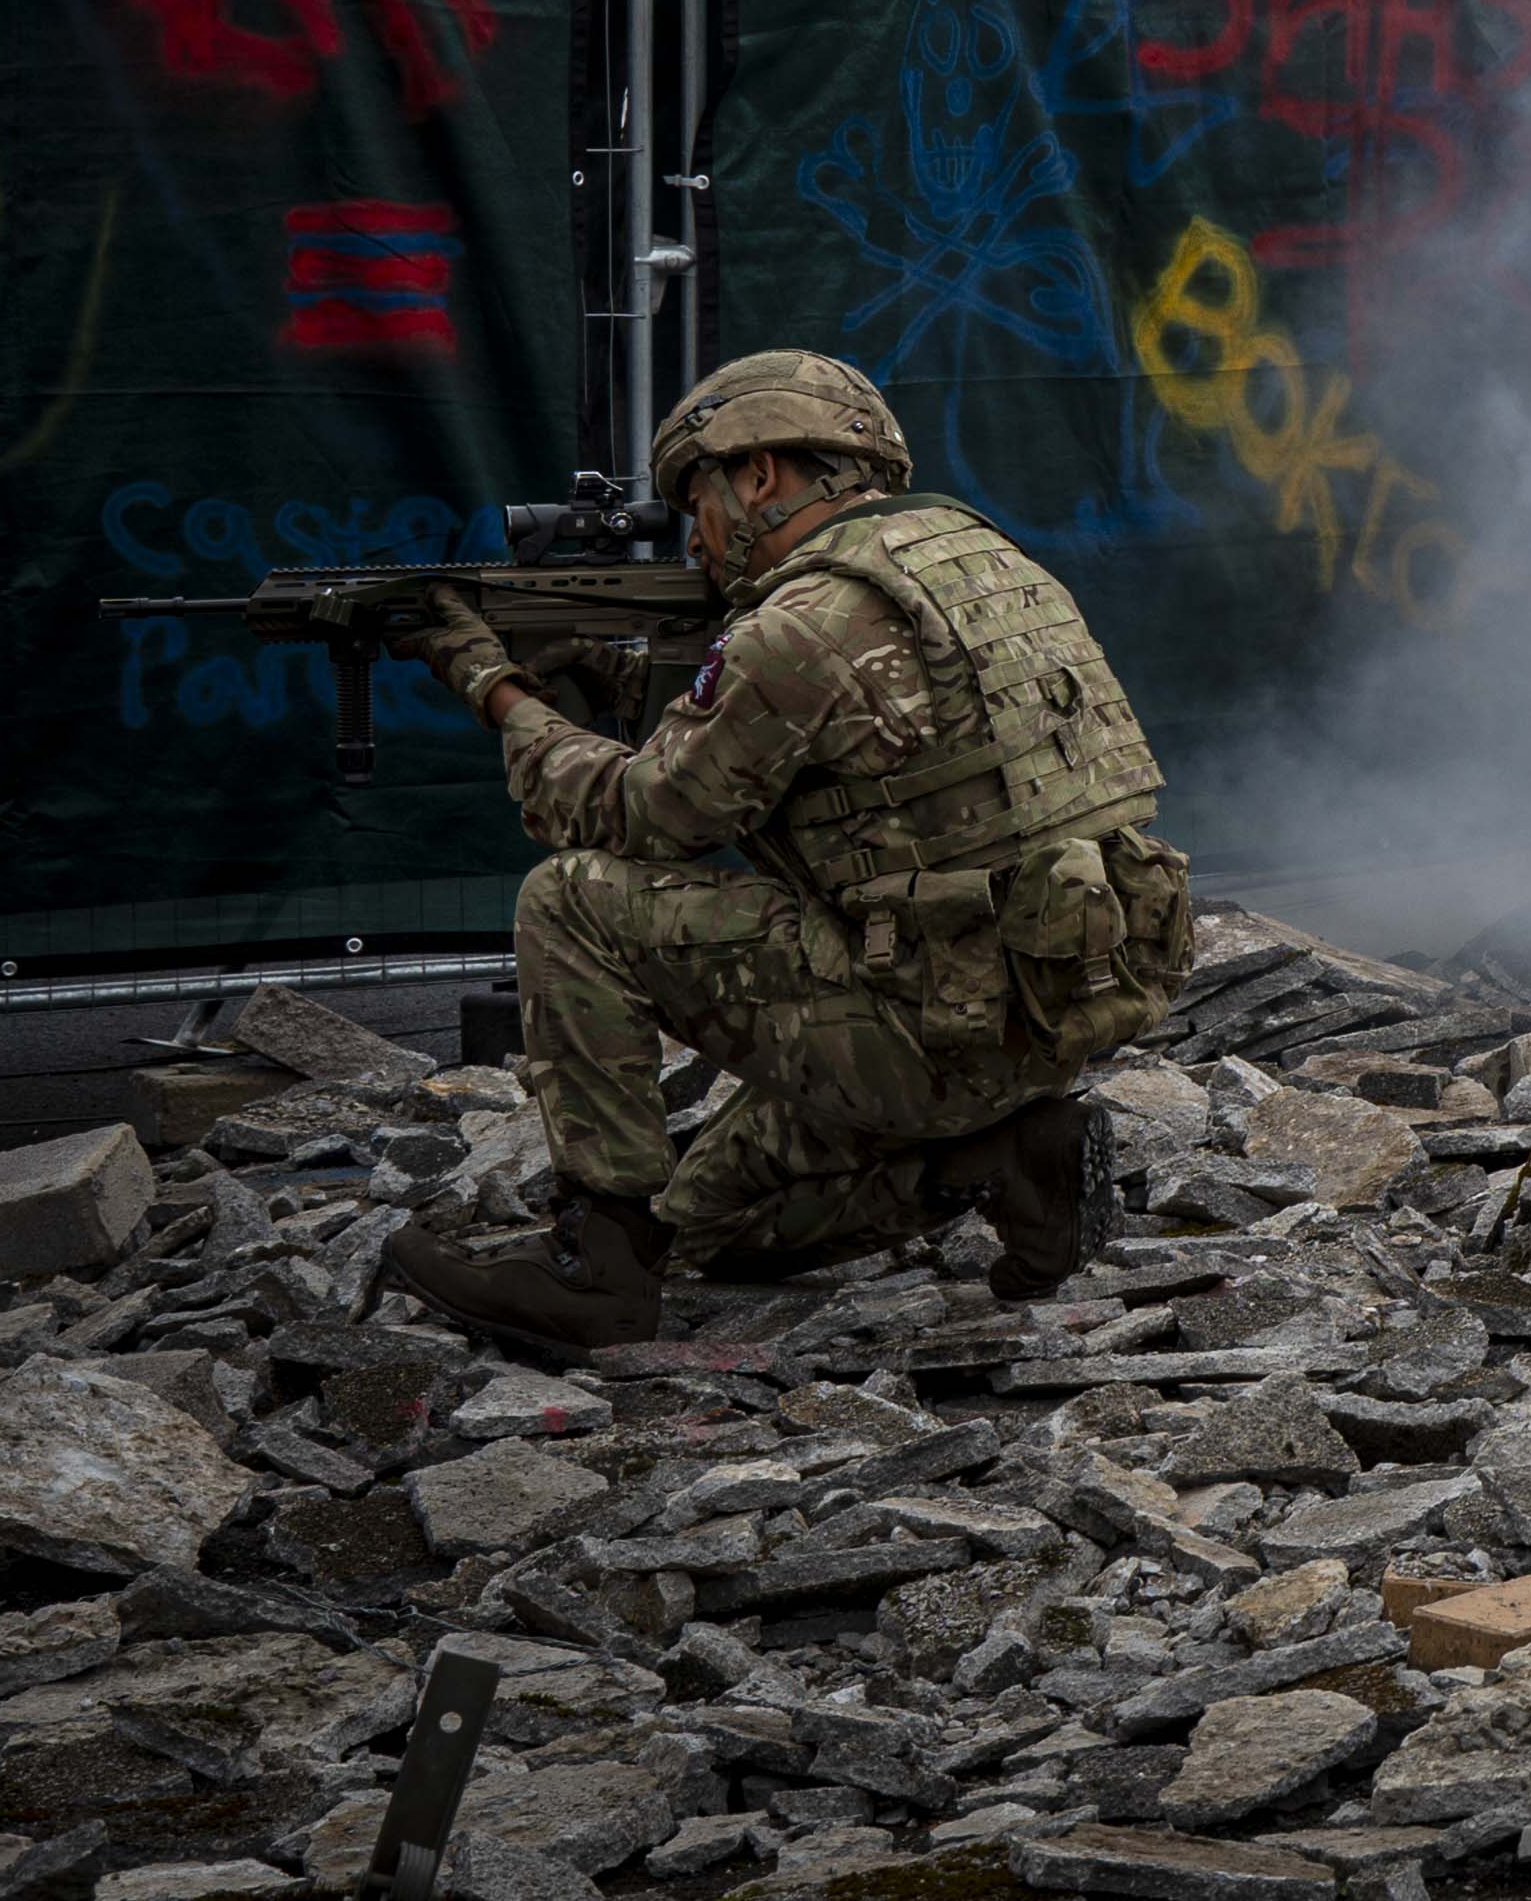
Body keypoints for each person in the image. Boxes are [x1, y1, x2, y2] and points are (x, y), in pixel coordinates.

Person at [384, 350, 1191, 1352]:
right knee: (705, 1220)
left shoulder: (805, 619)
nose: (700, 538)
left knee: (572, 897)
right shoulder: (991, 566)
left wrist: (496, 690)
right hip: (1041, 1021)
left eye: (700, 501)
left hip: (920, 1032)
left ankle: (596, 1269)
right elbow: (882, 757)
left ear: (759, 472)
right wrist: (631, 683)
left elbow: (644, 815)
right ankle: (1002, 1156)